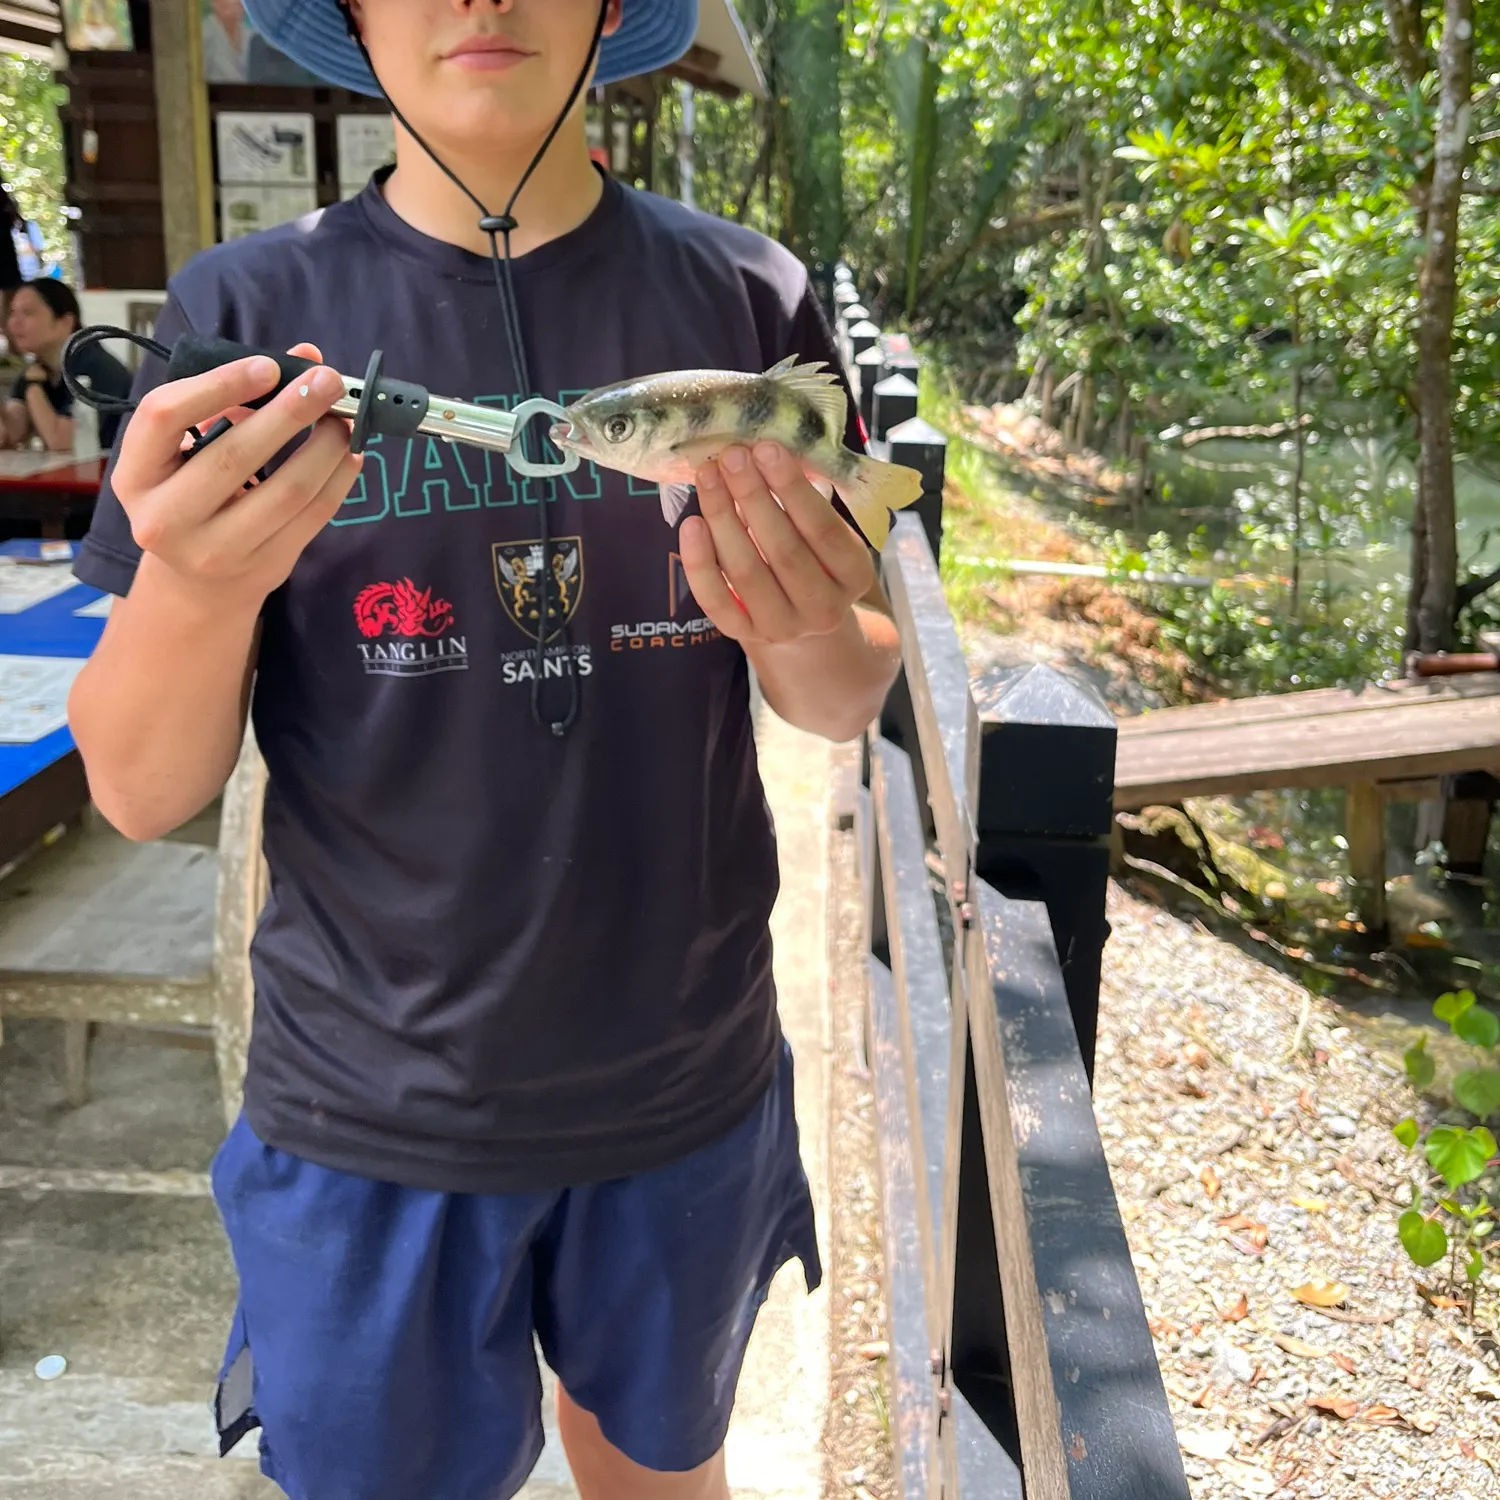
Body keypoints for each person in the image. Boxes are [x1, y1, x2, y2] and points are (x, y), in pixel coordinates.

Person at [65, 3, 902, 1499]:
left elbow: (843, 693)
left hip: (686, 1084)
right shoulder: (248, 317)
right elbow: (140, 785)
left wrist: (796, 622)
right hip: (367, 1108)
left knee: (658, 1466)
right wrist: (196, 581)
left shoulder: (745, 293)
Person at [3, 279, 132, 451]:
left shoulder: (96, 367)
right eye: (12, 313)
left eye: (28, 313)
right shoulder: (38, 370)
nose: (14, 323)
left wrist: (34, 388)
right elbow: (12, 433)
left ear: (65, 322)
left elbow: (64, 442)